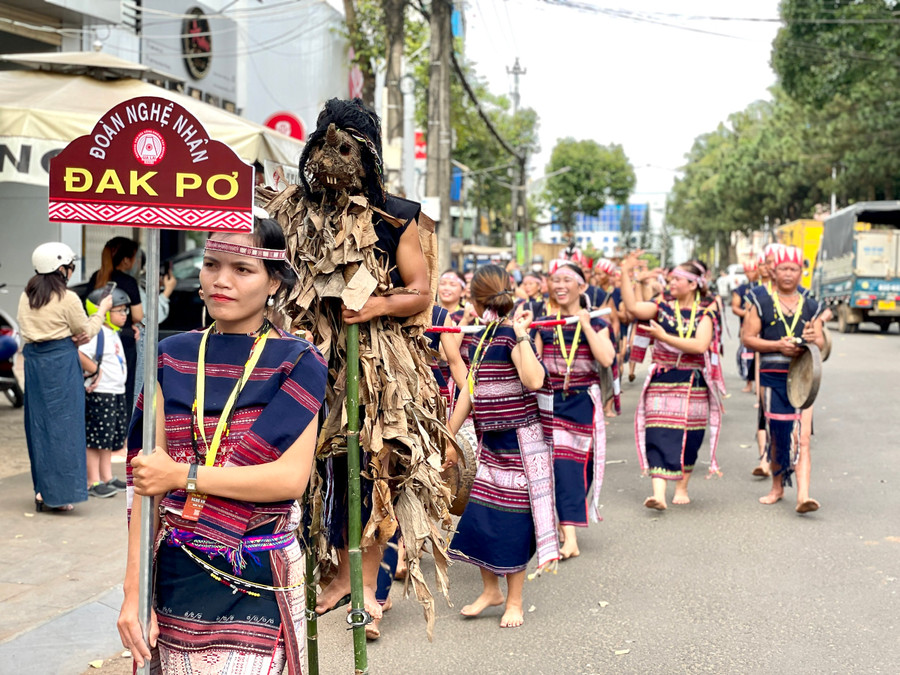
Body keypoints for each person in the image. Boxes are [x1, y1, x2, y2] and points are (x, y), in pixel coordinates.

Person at [117, 216, 327, 673]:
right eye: (211, 264)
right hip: (173, 571)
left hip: (257, 572)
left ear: (274, 280)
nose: (221, 281)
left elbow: (289, 479)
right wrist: (134, 590)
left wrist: (183, 476)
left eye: (242, 269)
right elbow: (146, 482)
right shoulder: (169, 354)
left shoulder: (298, 362)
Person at [447, 264, 558, 628]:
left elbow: (535, 379)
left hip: (522, 446)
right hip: (492, 443)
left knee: (513, 523)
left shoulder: (509, 335)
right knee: (481, 519)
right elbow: (471, 390)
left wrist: (522, 335)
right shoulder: (483, 337)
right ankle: (490, 591)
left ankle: (515, 601)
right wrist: (449, 437)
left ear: (476, 300)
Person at [619, 252, 723, 510]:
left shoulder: (705, 312)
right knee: (657, 430)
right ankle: (659, 493)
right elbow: (633, 309)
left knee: (690, 435)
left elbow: (700, 345)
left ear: (693, 284)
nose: (671, 283)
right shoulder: (661, 306)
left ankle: (682, 486)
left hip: (692, 379)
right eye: (671, 279)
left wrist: (664, 336)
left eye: (677, 279)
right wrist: (624, 272)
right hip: (662, 377)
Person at [18, 242, 113, 512]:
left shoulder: (27, 295)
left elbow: (27, 327)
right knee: (66, 428)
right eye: (70, 266)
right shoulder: (67, 297)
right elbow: (85, 330)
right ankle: (59, 496)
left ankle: (42, 491)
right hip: (60, 361)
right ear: (60, 267)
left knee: (39, 426)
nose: (71, 271)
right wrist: (102, 309)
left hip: (35, 364)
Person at [534, 261, 615, 559]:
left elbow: (606, 359)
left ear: (581, 287)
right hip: (553, 402)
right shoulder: (545, 323)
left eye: (567, 279)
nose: (560, 285)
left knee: (583, 468)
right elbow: (537, 367)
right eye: (555, 279)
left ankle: (563, 521)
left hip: (584, 402)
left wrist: (584, 325)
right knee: (564, 465)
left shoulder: (598, 322)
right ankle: (570, 538)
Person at [741, 245, 824, 513]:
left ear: (801, 273)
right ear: (773, 272)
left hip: (804, 379)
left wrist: (812, 339)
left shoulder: (811, 305)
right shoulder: (761, 303)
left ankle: (803, 495)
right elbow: (748, 338)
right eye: (783, 269)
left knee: (802, 438)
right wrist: (778, 345)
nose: (788, 274)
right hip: (772, 377)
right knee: (778, 435)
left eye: (794, 269)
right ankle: (777, 487)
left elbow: (820, 342)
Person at [78, 288, 132, 499]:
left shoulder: (112, 333)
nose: (124, 314)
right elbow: (80, 353)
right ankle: (93, 480)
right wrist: (95, 370)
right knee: (95, 439)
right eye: (118, 310)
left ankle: (107, 476)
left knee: (108, 439)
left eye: (125, 310)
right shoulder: (97, 332)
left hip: (115, 391)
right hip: (100, 392)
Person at [88, 237, 144, 409]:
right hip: (123, 339)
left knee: (100, 384)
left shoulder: (95, 278)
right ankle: (123, 431)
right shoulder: (128, 282)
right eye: (134, 257)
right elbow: (137, 315)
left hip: (97, 337)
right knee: (124, 388)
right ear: (127, 260)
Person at [731, 260, 759, 394]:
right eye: (748, 271)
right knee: (746, 355)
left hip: (761, 326)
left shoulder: (764, 287)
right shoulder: (741, 289)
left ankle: (759, 384)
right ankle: (749, 382)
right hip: (746, 326)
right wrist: (749, 314)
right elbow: (735, 307)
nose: (750, 274)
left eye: (753, 270)